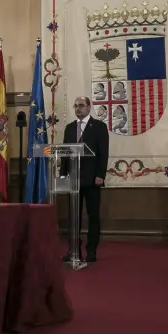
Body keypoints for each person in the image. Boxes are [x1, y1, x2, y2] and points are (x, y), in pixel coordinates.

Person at [62, 96, 109, 263]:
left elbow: (103, 153)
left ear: (89, 107)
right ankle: (74, 249)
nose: (78, 109)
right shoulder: (69, 128)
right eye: (75, 106)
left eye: (81, 105)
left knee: (93, 215)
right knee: (73, 216)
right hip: (73, 180)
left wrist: (100, 175)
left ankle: (91, 249)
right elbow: (64, 153)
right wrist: (63, 175)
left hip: (92, 179)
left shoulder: (99, 127)